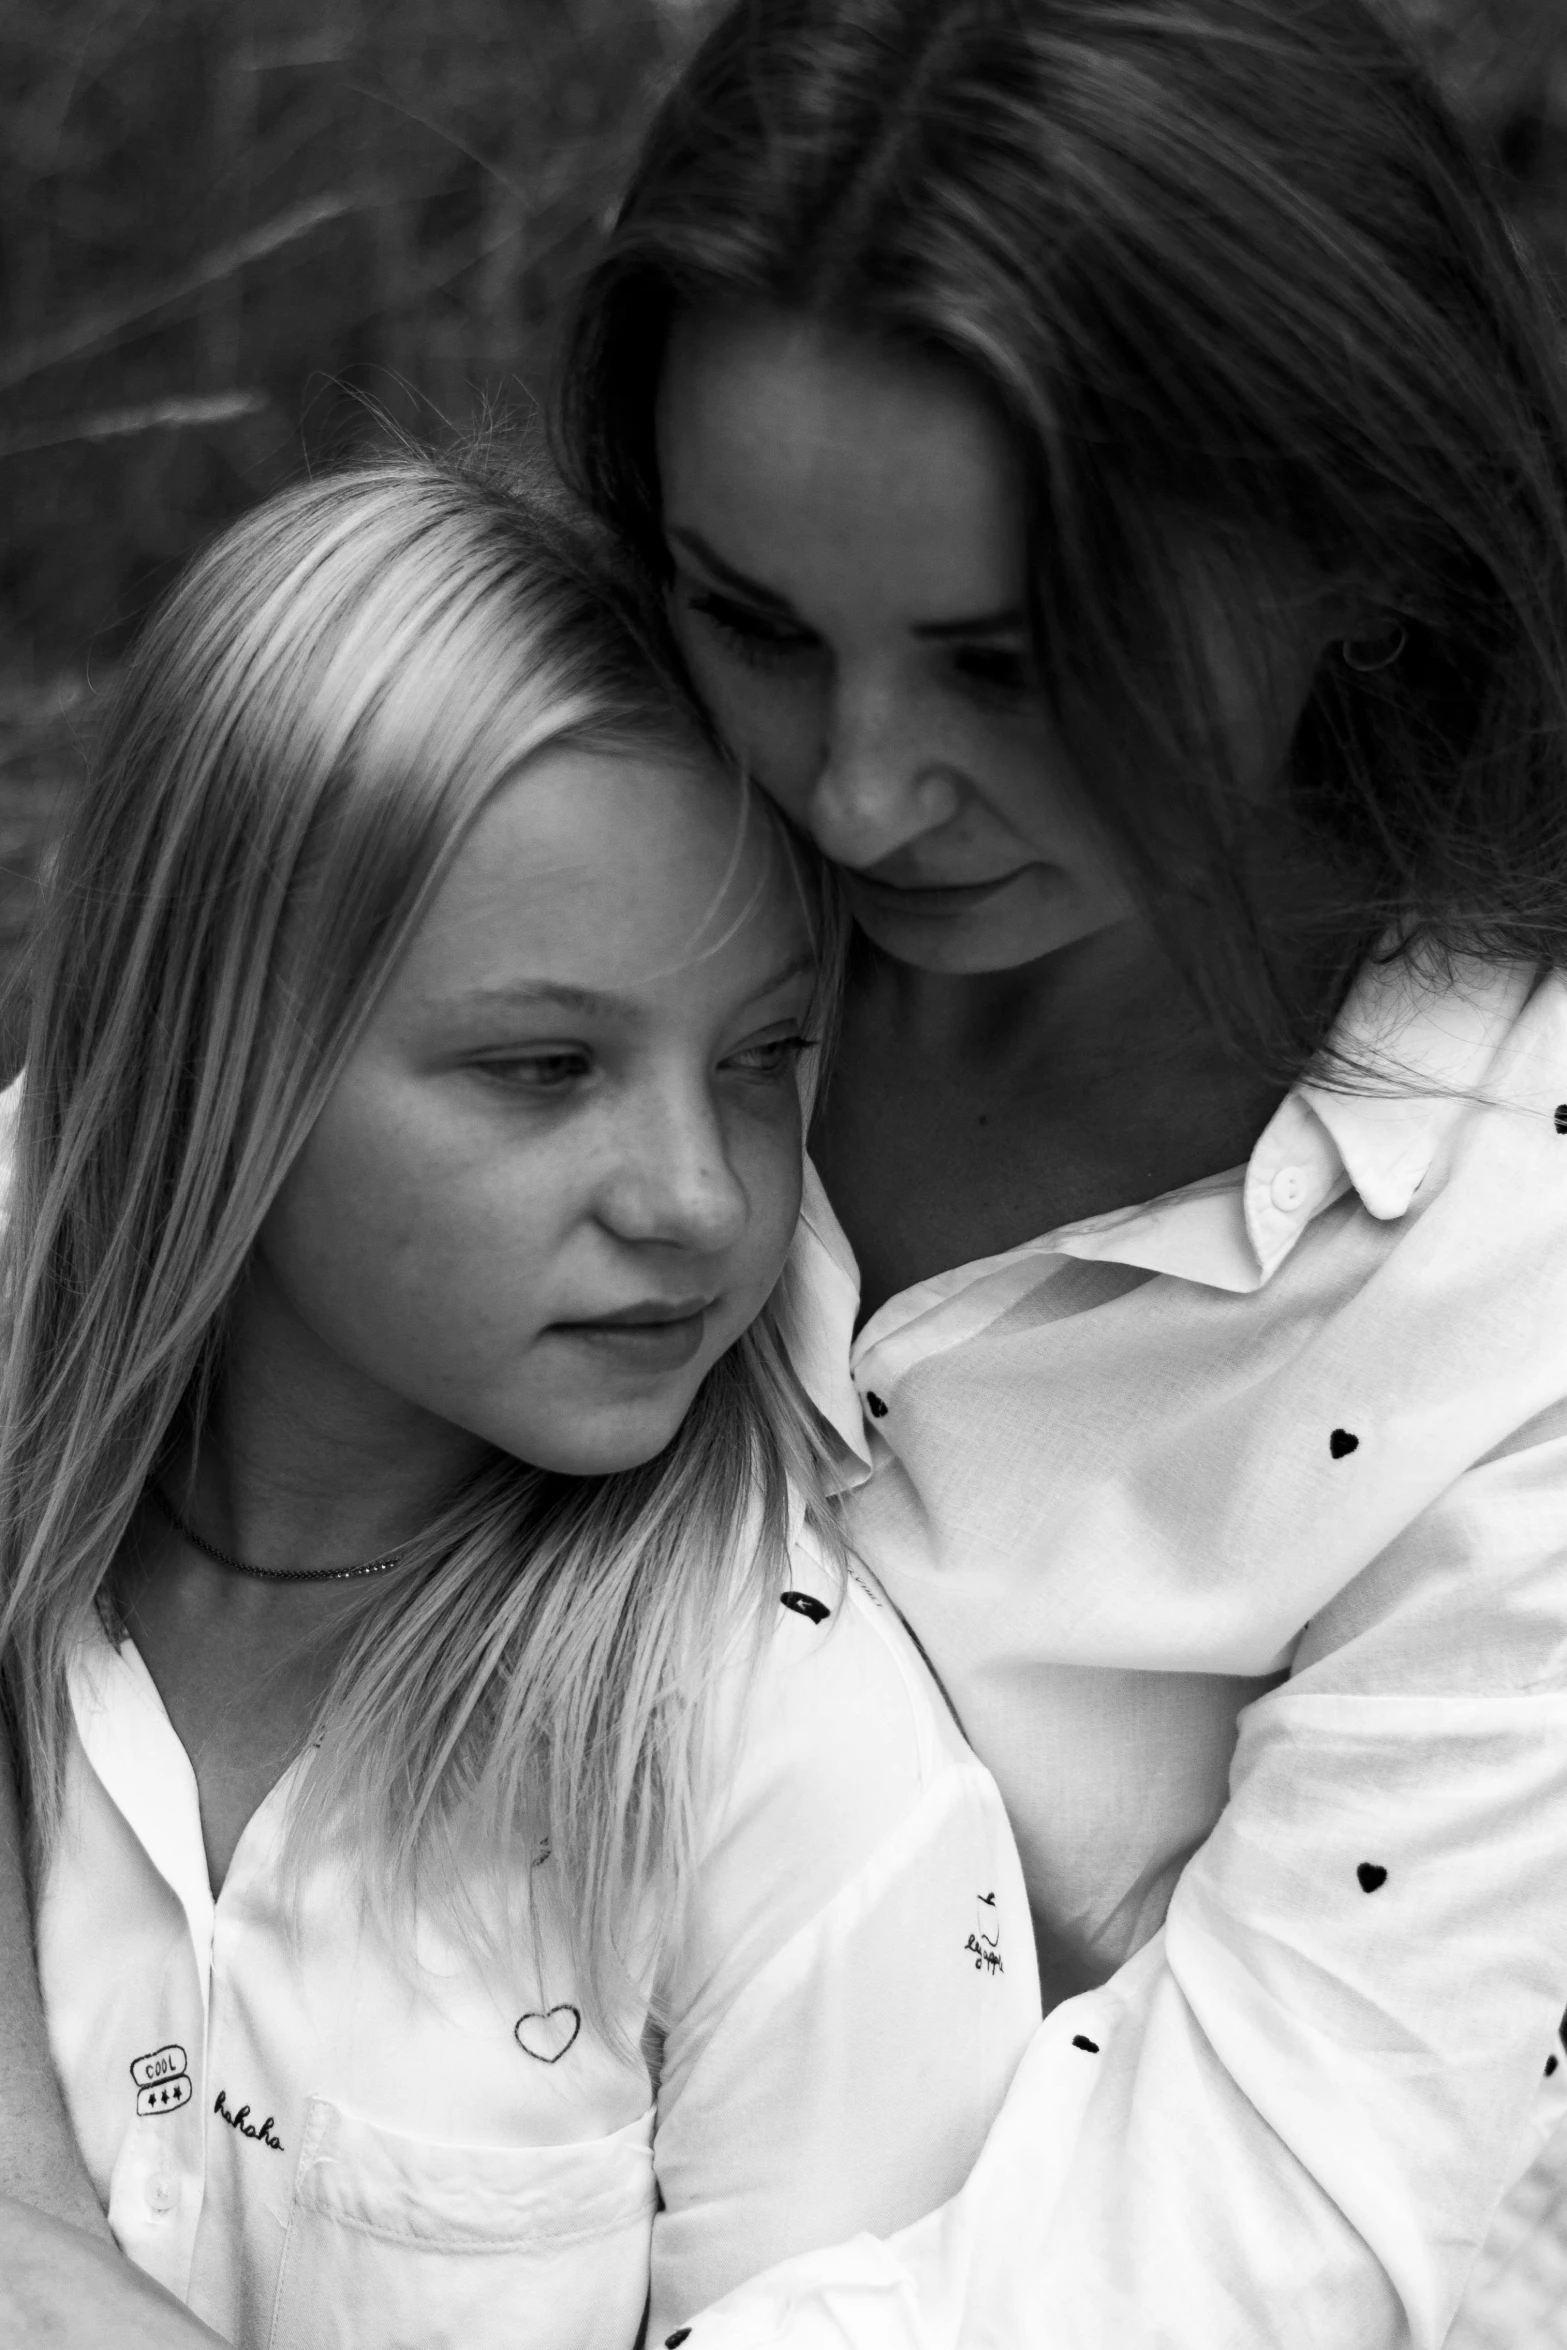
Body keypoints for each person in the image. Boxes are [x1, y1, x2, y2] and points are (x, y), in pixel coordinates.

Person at [550, 0, 1567, 2341]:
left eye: (1016, 664)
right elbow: (95, 1297)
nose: (860, 793)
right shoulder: (562, 815)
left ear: (1366, 553)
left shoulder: (1498, 1280)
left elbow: (1221, 2252)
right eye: (758, 623)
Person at [0, 451, 1038, 2350]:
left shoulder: (781, 1770)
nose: (699, 1197)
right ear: (218, 1061)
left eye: (760, 1055)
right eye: (543, 1064)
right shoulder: (42, 1492)